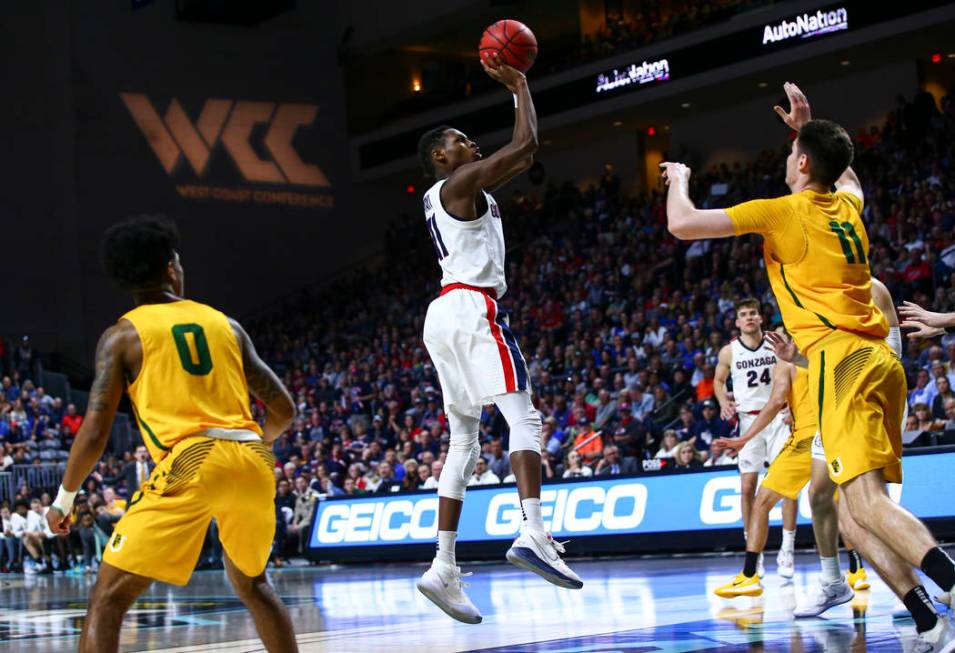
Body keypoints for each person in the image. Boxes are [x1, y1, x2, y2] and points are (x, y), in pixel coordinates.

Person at [661, 82, 955, 649]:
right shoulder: (846, 204)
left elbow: (683, 224)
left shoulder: (784, 212)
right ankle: (927, 621)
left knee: (864, 502)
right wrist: (806, 128)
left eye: (792, 154)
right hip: (877, 362)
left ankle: (948, 580)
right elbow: (846, 174)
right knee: (849, 515)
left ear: (799, 162)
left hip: (841, 361)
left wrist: (679, 181)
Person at [44, 216, 299, 653]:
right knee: (255, 585)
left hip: (190, 461)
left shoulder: (122, 336)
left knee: (107, 598)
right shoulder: (226, 324)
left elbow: (94, 431)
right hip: (253, 459)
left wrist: (64, 500)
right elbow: (284, 410)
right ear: (169, 269)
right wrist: (258, 445)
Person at [414, 52, 580, 625]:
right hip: (472, 306)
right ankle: (533, 530)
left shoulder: (451, 195)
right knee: (524, 418)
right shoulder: (456, 183)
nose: (471, 144)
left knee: (463, 445)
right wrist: (520, 87)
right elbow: (527, 147)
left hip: (443, 313)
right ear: (441, 157)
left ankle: (443, 565)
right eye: (460, 139)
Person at [713, 327, 817, 597]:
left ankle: (785, 552)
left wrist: (743, 438)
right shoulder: (801, 354)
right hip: (821, 433)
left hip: (805, 434)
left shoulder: (793, 356)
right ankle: (847, 573)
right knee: (836, 507)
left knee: (772, 499)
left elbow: (776, 401)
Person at [714, 299, 797, 579]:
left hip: (778, 418)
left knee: (786, 485)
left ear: (761, 318)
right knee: (748, 486)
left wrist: (794, 406)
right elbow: (718, 381)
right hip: (749, 420)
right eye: (743, 315)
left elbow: (793, 371)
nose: (749, 318)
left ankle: (787, 549)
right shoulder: (729, 351)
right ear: (737, 322)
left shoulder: (776, 342)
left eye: (753, 313)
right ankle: (755, 553)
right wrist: (722, 401)